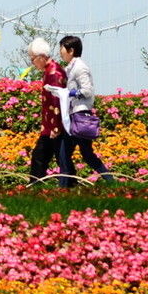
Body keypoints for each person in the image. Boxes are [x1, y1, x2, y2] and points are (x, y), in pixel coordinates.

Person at [56, 35, 113, 184]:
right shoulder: (70, 67)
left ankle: (64, 189)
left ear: (71, 50)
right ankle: (111, 182)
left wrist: (70, 93)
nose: (60, 51)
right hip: (74, 115)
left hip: (80, 116)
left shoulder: (80, 67)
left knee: (66, 154)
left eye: (61, 48)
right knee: (84, 154)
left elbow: (87, 90)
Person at [27, 37, 70, 185]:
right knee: (56, 158)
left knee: (41, 157)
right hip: (50, 125)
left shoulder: (54, 73)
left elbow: (57, 100)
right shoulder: (50, 70)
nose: (32, 62)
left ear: (41, 57)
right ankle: (69, 185)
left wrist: (56, 127)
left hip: (54, 127)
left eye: (32, 59)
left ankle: (35, 186)